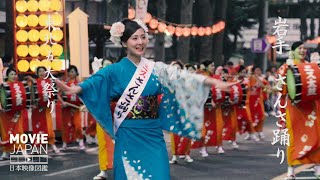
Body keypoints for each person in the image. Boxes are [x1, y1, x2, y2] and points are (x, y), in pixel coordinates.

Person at [55, 18, 235, 179]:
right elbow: (93, 84)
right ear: (124, 43)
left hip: (153, 134)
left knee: (159, 175)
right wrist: (72, 89)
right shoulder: (113, 71)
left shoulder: (156, 68)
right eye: (134, 38)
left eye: (143, 37)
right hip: (128, 133)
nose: (140, 42)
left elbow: (181, 77)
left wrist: (213, 82)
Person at [281, 41, 320, 179]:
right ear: (293, 51)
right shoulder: (287, 66)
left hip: (311, 108)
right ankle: (291, 169)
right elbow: (280, 87)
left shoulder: (311, 67)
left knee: (316, 137)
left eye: (304, 48)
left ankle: (317, 167)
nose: (303, 50)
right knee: (293, 138)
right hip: (295, 108)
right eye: (300, 48)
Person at [27, 66, 60, 154]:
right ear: (37, 73)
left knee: (49, 127)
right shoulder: (33, 83)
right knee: (37, 128)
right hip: (36, 110)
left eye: (43, 71)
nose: (42, 73)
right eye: (40, 71)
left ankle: (52, 145)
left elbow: (54, 95)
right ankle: (36, 147)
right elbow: (30, 96)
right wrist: (32, 104)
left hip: (46, 110)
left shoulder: (50, 82)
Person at [0, 68, 25, 160]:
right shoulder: (3, 86)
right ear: (7, 76)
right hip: (6, 114)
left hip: (17, 113)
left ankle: (22, 150)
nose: (14, 76)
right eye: (11, 74)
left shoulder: (20, 85)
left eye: (15, 74)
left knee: (18, 131)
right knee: (6, 132)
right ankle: (6, 151)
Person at [59, 65, 85, 150]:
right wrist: (62, 102)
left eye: (73, 71)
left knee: (77, 125)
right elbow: (58, 94)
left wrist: (83, 104)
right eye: (70, 71)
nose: (71, 73)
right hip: (66, 108)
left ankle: (81, 141)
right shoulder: (65, 83)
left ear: (76, 73)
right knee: (66, 125)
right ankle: (65, 142)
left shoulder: (80, 83)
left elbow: (84, 95)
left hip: (76, 108)